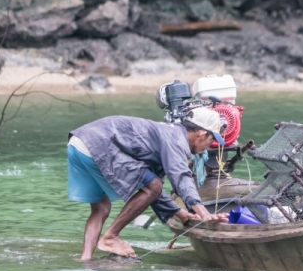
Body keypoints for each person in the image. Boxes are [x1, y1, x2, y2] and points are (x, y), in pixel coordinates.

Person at [67, 107, 228, 260]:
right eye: (212, 138)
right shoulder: (176, 140)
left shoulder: (167, 132)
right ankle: (110, 237)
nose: (209, 146)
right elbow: (180, 177)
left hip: (78, 143)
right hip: (99, 143)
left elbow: (152, 193)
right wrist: (204, 213)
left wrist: (179, 212)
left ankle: (85, 260)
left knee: (101, 208)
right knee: (154, 185)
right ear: (201, 133)